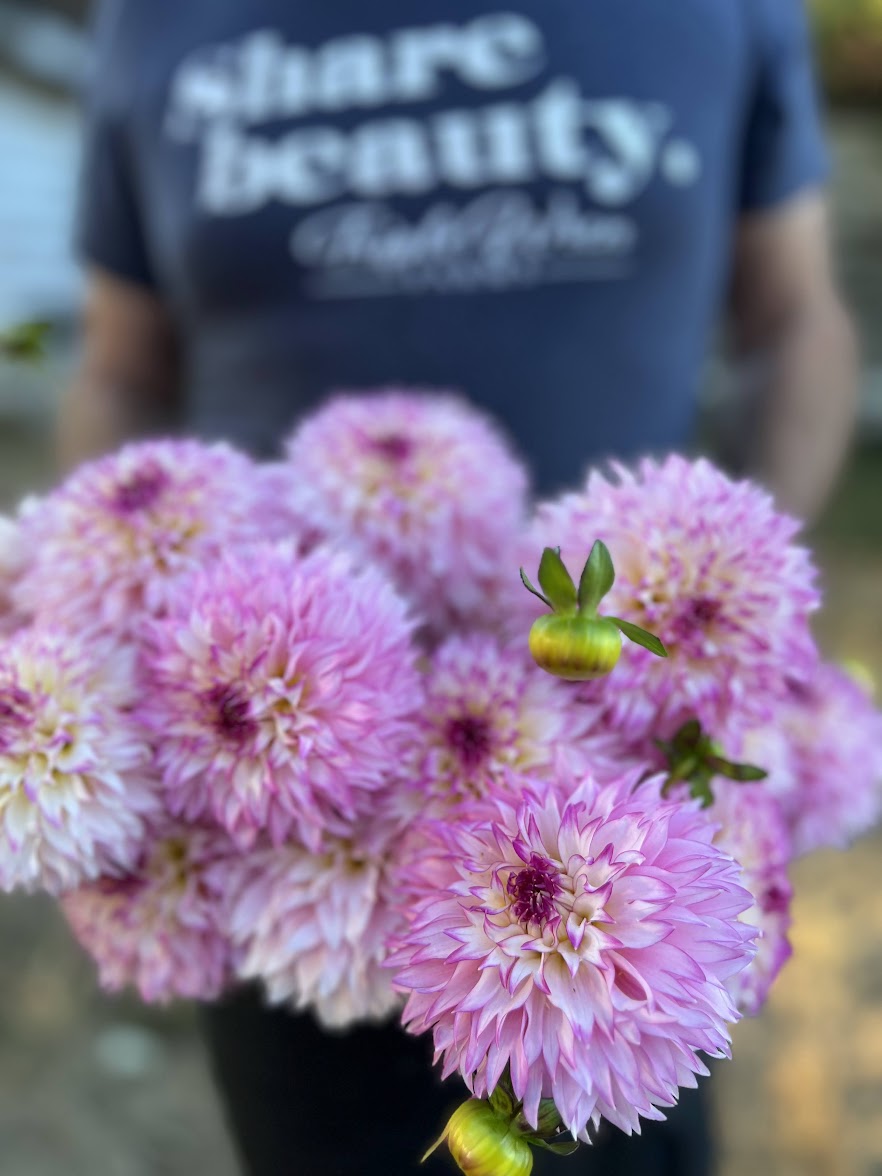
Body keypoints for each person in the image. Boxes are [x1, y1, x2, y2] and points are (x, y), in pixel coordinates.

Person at [63, 2, 857, 1173]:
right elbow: (121, 369)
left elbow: (796, 319)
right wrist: (82, 584)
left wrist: (743, 610)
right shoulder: (157, 22)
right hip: (270, 822)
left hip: (614, 814)